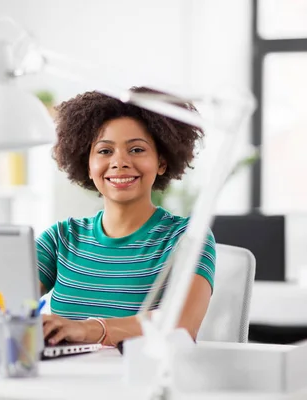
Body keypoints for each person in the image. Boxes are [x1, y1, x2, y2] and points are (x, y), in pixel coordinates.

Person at [37, 87, 216, 348]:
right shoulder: (60, 239)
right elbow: (4, 303)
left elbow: (180, 326)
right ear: (88, 165)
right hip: (61, 382)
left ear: (161, 162)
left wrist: (87, 329)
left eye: (136, 150)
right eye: (105, 151)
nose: (119, 162)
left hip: (139, 384)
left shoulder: (187, 238)